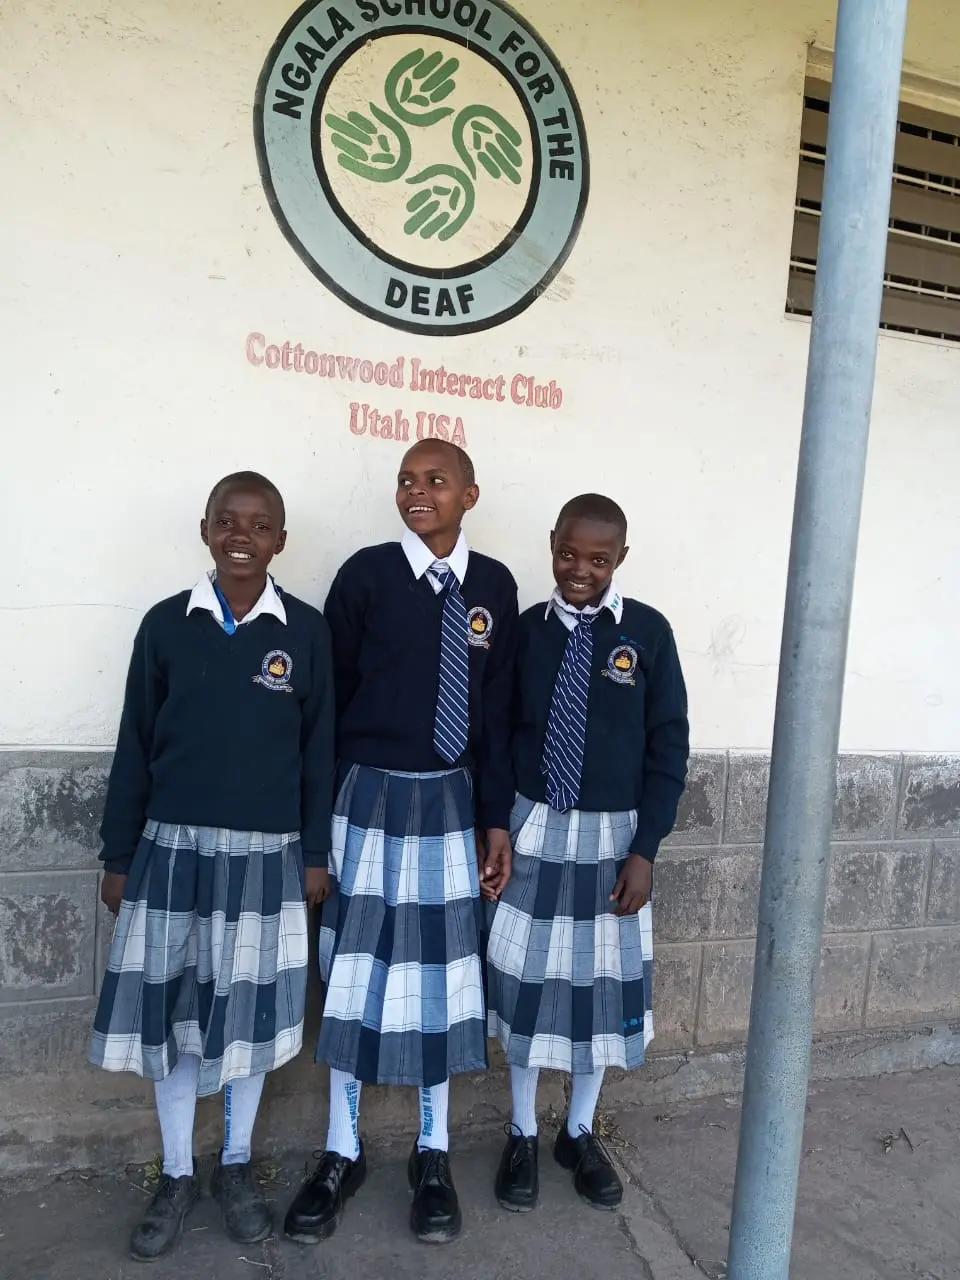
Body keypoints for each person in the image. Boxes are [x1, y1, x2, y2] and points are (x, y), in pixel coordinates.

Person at [90, 471, 334, 1262]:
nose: (241, 536)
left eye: (260, 526)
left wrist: (315, 854)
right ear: (205, 530)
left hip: (267, 859)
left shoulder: (305, 632)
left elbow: (319, 753)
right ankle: (175, 1171)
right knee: (178, 1017)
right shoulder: (168, 625)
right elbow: (135, 744)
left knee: (247, 1018)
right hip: (173, 853)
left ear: (280, 542)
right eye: (227, 521)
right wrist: (119, 855)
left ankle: (234, 1163)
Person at [283, 439, 518, 1247]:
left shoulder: (494, 588)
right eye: (407, 480)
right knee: (354, 971)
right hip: (368, 798)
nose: (419, 492)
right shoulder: (367, 576)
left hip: (451, 803)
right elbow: (328, 706)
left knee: (442, 975)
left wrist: (495, 820)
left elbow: (496, 717)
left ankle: (433, 1151)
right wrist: (320, 832)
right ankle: (341, 1150)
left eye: (437, 481)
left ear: (469, 495)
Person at [486, 493, 689, 1213]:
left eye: (599, 560)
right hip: (535, 827)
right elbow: (497, 731)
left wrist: (646, 850)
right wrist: (498, 823)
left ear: (620, 559)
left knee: (598, 988)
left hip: (613, 841)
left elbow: (669, 745)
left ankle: (577, 1131)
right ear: (552, 544)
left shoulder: (648, 634)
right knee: (528, 983)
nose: (580, 570)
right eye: (569, 554)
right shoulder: (526, 632)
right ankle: (521, 1130)